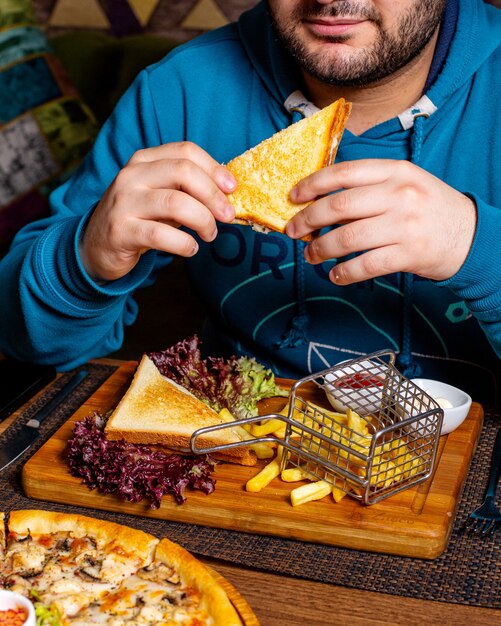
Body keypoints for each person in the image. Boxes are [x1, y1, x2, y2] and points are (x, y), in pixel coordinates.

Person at [0, 0, 500, 404]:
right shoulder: (178, 90)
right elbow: (27, 344)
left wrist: (476, 249)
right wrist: (82, 259)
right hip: (240, 455)